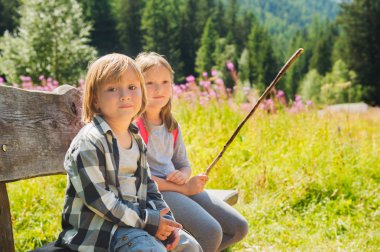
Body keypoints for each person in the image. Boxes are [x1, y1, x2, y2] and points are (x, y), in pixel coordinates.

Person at [55, 53, 202, 252]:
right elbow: (101, 202)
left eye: (132, 87)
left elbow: (148, 185)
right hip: (101, 233)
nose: (125, 95)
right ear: (96, 100)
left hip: (137, 223)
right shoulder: (89, 142)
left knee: (190, 247)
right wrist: (150, 221)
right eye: (112, 89)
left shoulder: (135, 137)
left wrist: (166, 222)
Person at [135, 52, 249, 252]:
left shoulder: (171, 124)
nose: (159, 89)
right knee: (211, 231)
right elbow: (140, 179)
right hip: (155, 192)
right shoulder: (135, 126)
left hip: (177, 187)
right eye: (150, 83)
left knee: (238, 227)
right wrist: (184, 188)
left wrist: (184, 175)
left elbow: (183, 164)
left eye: (165, 82)